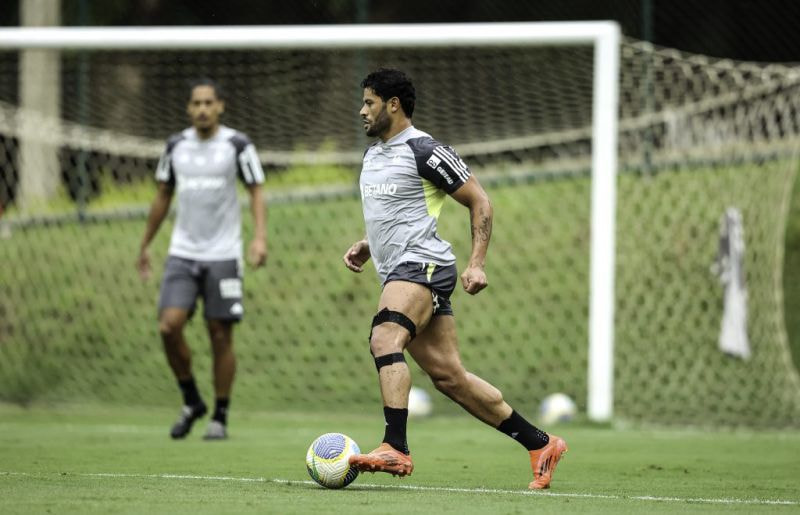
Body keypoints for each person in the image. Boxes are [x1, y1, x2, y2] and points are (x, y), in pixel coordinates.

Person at [343, 68, 567, 489]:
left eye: (369, 102)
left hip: (423, 266)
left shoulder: (425, 150)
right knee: (449, 377)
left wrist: (477, 262)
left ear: (393, 104)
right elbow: (401, 211)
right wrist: (369, 243)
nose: (362, 111)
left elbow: (479, 201)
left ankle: (396, 447)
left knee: (385, 338)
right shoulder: (374, 155)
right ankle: (541, 443)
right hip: (400, 268)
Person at [136, 78, 267, 440]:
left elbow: (256, 190)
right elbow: (163, 194)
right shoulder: (176, 146)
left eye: (209, 102)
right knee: (168, 326)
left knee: (219, 335)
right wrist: (145, 244)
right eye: (196, 103)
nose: (203, 109)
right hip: (183, 253)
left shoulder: (237, 145)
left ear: (220, 106)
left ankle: (219, 416)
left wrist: (259, 238)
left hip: (223, 255)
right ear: (188, 108)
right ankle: (191, 399)